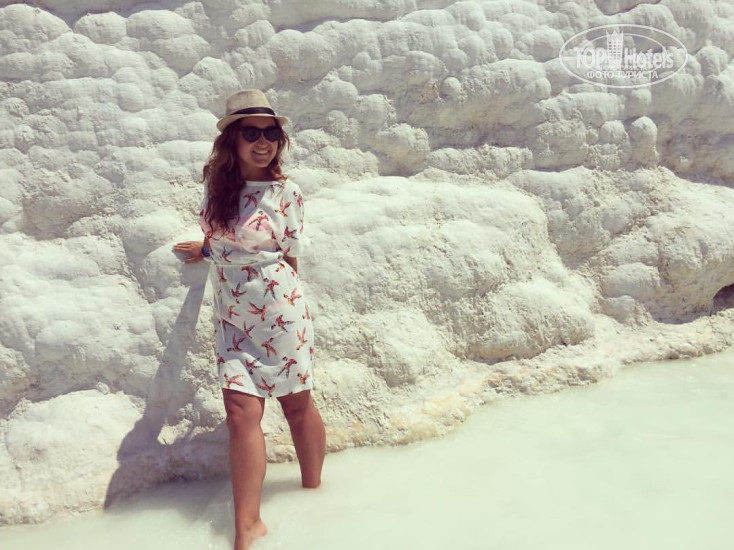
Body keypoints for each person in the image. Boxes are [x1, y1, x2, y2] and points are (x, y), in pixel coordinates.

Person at [174, 89, 326, 550]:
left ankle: (315, 492)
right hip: (231, 315)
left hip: (277, 307)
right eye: (252, 132)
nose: (264, 142)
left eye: (271, 133)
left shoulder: (286, 192)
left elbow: (289, 254)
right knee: (241, 414)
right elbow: (225, 237)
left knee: (296, 404)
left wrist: (287, 310)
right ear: (232, 140)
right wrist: (206, 250)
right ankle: (248, 527)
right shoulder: (216, 183)